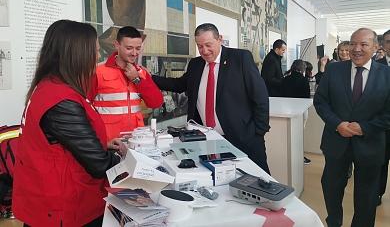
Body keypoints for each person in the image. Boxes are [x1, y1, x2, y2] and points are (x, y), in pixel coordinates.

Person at [13, 20, 127, 227]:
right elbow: (99, 166)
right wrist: (132, 162)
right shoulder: (61, 100)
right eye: (95, 50)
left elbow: (65, 142)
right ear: (77, 54)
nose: (98, 57)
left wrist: (100, 145)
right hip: (64, 207)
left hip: (55, 200)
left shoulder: (51, 87)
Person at [152, 23, 271, 173]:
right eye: (200, 46)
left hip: (242, 138)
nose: (204, 51)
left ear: (219, 39)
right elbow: (178, 85)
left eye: (208, 45)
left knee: (257, 179)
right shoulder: (196, 64)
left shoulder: (240, 58)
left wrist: (258, 131)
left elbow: (260, 96)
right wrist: (147, 78)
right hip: (206, 139)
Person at [313, 28, 390, 227]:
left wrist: (365, 127)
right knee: (332, 189)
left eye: (363, 44)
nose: (356, 49)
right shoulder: (334, 70)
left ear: (375, 47)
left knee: (367, 196)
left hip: (370, 145)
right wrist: (337, 124)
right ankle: (334, 222)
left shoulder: (387, 74)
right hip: (336, 142)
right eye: (353, 44)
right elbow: (321, 102)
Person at [90, 26, 163, 141]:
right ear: (117, 45)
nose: (134, 53)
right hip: (108, 141)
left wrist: (137, 80)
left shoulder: (141, 73)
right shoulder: (98, 72)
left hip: (136, 140)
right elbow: (84, 108)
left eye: (138, 48)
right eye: (129, 48)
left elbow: (156, 102)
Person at [281, 59, 311, 165]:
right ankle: (299, 156)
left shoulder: (285, 79)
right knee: (299, 135)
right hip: (301, 110)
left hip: (287, 110)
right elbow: (306, 98)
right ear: (302, 68)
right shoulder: (303, 80)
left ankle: (288, 156)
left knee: (288, 135)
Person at [376, 30, 390, 206]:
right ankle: (378, 193)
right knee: (382, 161)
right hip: (383, 125)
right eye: (388, 41)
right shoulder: (376, 66)